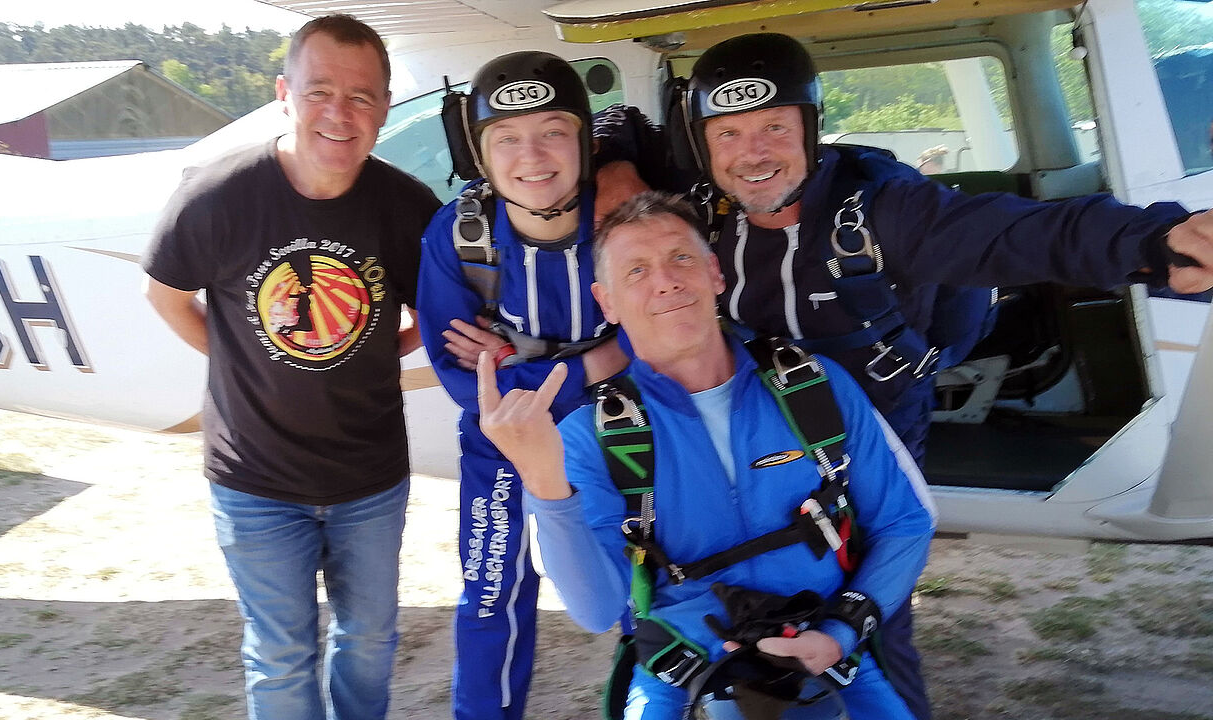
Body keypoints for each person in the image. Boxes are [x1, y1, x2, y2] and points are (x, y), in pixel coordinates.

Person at [591, 32, 1213, 719]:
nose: (753, 153)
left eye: (775, 127)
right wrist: (616, 159)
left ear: (811, 130)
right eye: (729, 132)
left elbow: (1012, 234)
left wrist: (1151, 245)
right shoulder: (706, 219)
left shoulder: (883, 209)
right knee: (705, 618)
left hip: (873, 431)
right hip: (757, 440)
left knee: (875, 626)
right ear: (704, 145)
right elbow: (614, 180)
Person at [476, 191, 936, 719]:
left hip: (826, 654)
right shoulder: (591, 436)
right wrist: (541, 479)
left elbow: (905, 522)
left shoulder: (814, 389)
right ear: (607, 302)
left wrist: (839, 633)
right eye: (636, 271)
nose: (666, 280)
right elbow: (596, 607)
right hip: (686, 670)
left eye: (680, 258)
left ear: (714, 273)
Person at [142, 15, 439, 720]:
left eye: (363, 96)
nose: (340, 113)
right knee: (280, 658)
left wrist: (380, 352)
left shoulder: (406, 210)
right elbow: (164, 295)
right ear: (284, 93)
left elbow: (435, 311)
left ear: (386, 107)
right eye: (320, 90)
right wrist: (239, 355)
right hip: (255, 484)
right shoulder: (217, 196)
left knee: (369, 641)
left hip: (369, 481)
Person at [418, 51, 630, 720]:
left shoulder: (629, 216)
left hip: (627, 427)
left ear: (586, 142)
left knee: (651, 580)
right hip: (503, 442)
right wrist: (599, 360)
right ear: (479, 152)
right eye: (506, 138)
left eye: (551, 131)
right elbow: (466, 382)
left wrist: (525, 368)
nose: (530, 155)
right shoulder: (459, 235)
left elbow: (667, 341)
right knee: (491, 593)